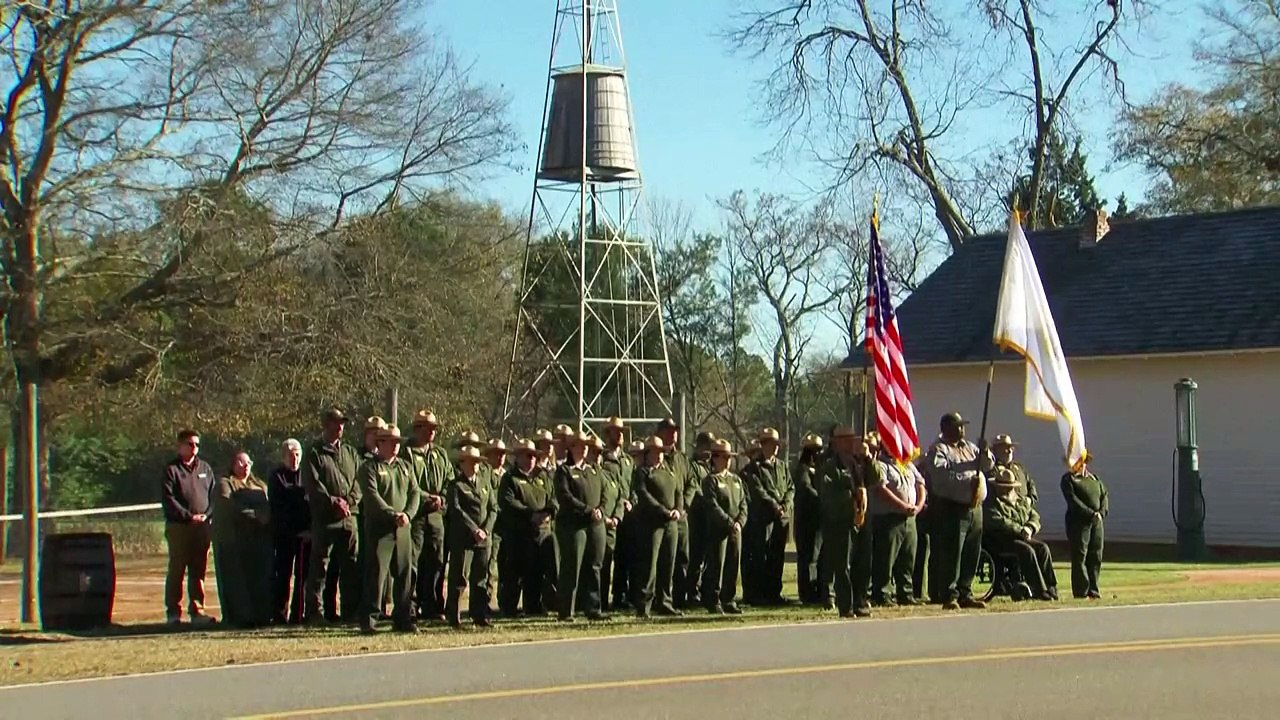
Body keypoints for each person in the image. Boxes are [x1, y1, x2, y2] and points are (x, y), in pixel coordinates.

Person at [924, 412, 993, 610]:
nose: (962, 430)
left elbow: (987, 466)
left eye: (963, 426)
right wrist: (967, 481)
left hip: (975, 506)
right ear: (945, 428)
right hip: (953, 507)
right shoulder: (939, 449)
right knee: (953, 552)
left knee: (972, 550)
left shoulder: (970, 448)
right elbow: (940, 476)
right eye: (957, 426)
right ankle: (949, 593)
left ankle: (966, 591)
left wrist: (985, 452)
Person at [302, 408, 362, 624]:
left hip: (348, 519)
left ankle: (350, 610)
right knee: (320, 567)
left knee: (351, 566)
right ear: (325, 424)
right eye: (335, 423)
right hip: (326, 519)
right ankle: (314, 612)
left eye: (342, 423)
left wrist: (350, 502)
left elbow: (359, 481)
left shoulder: (349, 452)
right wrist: (332, 502)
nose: (339, 427)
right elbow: (312, 484)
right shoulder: (314, 453)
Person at [357, 425, 418, 634]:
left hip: (403, 528)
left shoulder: (405, 467)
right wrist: (393, 514)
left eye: (398, 442)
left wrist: (407, 514)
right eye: (391, 442)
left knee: (404, 574)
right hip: (380, 529)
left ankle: (403, 619)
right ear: (379, 443)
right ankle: (370, 620)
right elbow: (373, 498)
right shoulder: (369, 468)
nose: (396, 446)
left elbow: (415, 493)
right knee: (377, 575)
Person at [161, 429, 217, 626]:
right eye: (190, 444)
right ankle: (173, 613)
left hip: (202, 528)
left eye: (197, 445)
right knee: (177, 569)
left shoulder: (205, 468)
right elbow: (169, 500)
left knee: (198, 569)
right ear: (180, 445)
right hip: (179, 528)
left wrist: (206, 515)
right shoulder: (171, 470)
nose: (194, 448)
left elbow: (213, 496)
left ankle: (197, 610)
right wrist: (188, 516)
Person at [212, 451, 273, 628]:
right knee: (235, 582)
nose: (245, 466)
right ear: (232, 464)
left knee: (258, 579)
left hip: (257, 541)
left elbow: (269, 504)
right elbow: (230, 506)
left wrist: (266, 518)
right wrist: (255, 515)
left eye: (248, 462)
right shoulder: (225, 484)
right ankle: (239, 617)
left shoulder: (259, 484)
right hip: (233, 541)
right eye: (240, 462)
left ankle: (261, 615)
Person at [819, 427, 875, 618]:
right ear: (837, 443)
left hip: (862, 521)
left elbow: (876, 480)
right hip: (841, 522)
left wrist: (867, 458)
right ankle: (846, 605)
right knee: (843, 566)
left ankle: (861, 601)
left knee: (862, 563)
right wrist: (853, 499)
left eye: (853, 439)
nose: (851, 443)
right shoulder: (830, 465)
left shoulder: (858, 463)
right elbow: (828, 494)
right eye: (846, 440)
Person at [403, 410, 451, 622]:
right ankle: (410, 606)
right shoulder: (407, 453)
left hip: (436, 515)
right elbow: (407, 481)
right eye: (428, 428)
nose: (432, 432)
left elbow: (450, 480)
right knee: (413, 562)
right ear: (417, 429)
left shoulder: (440, 454)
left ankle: (431, 604)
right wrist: (425, 497)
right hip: (416, 515)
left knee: (436, 561)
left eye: (434, 428)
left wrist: (442, 498)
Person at [496, 439, 554, 616]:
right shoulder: (510, 478)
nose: (531, 460)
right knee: (513, 573)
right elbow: (507, 501)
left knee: (536, 573)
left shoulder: (542, 476)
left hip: (542, 533)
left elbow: (553, 496)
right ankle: (509, 608)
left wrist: (548, 512)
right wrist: (530, 514)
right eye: (528, 456)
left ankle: (533, 607)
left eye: (534, 456)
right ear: (518, 457)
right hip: (518, 534)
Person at [868, 433, 927, 606]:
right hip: (889, 518)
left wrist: (919, 505)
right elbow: (881, 489)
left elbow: (920, 484)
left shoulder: (906, 465)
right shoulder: (879, 466)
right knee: (886, 558)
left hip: (910, 518)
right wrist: (902, 505)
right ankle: (882, 593)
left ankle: (906, 593)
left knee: (908, 558)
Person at [556, 432, 608, 622]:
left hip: (596, 524)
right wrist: (587, 510)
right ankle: (566, 610)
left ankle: (593, 608)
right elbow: (565, 497)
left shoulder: (594, 470)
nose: (584, 447)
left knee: (594, 566)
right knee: (572, 566)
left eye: (586, 445)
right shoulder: (565, 471)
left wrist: (601, 509)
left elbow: (605, 493)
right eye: (579, 444)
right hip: (574, 525)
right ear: (571, 447)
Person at [985, 467, 1058, 601]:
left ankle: (1051, 588)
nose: (1005, 490)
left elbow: (1034, 516)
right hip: (1001, 540)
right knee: (1027, 550)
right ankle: (1039, 590)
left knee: (1043, 548)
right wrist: (1021, 530)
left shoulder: (1021, 501)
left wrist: (1030, 528)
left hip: (1023, 536)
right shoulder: (992, 504)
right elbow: (1001, 522)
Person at [446, 445, 498, 627]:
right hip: (464, 539)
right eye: (472, 462)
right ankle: (454, 616)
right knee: (459, 578)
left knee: (481, 579)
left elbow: (493, 508)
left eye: (477, 462)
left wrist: (486, 530)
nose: (476, 465)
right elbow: (457, 510)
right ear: (462, 464)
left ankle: (480, 615)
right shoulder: (455, 485)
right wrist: (473, 529)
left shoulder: (485, 483)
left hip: (484, 540)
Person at [633, 435, 683, 618]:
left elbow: (679, 492)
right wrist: (663, 510)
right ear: (647, 454)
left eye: (661, 452)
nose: (659, 456)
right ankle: (644, 605)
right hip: (651, 524)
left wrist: (678, 509)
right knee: (650, 565)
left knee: (668, 563)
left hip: (671, 523)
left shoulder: (669, 471)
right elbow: (644, 495)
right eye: (655, 452)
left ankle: (665, 601)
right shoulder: (642, 472)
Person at [742, 427, 793, 605]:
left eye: (777, 444)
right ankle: (758, 594)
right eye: (772, 444)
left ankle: (774, 593)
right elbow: (758, 491)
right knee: (760, 556)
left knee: (777, 557)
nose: (776, 448)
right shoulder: (753, 468)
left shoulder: (782, 466)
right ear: (764, 445)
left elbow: (790, 487)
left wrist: (785, 505)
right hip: (763, 519)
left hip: (781, 519)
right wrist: (774, 505)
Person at [700, 439, 748, 614]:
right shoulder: (710, 481)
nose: (727, 460)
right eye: (724, 457)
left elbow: (743, 503)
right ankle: (713, 599)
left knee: (733, 564)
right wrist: (728, 522)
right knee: (717, 564)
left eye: (729, 457)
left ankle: (729, 598)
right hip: (718, 530)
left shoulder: (736, 480)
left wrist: (740, 522)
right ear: (715, 458)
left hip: (736, 530)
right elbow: (712, 505)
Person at [654, 418, 697, 610]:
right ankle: (661, 599)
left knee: (682, 559)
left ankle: (680, 599)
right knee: (663, 561)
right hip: (661, 517)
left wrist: (683, 506)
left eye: (675, 431)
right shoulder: (655, 457)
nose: (673, 434)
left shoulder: (682, 459)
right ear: (660, 433)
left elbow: (692, 483)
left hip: (681, 518)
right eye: (669, 430)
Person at [268, 439, 310, 625]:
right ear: (283, 456)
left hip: (304, 534)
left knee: (303, 576)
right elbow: (279, 504)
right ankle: (279, 615)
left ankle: (298, 615)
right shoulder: (276, 476)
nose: (295, 459)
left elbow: (309, 501)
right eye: (291, 455)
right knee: (282, 575)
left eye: (298, 455)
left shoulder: (306, 475)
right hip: (284, 533)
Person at [600, 417, 634, 610]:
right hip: (609, 515)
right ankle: (602, 601)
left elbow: (634, 486)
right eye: (616, 431)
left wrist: (631, 502)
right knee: (605, 558)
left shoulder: (628, 461)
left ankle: (620, 597)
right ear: (607, 434)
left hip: (627, 516)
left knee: (625, 558)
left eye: (622, 432)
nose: (620, 435)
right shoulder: (603, 459)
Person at [1062, 460, 1108, 599]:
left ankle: (1093, 589)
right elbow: (1073, 500)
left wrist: (1101, 512)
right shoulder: (1068, 479)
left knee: (1095, 555)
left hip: (1097, 522)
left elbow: (1104, 495)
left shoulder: (1095, 479)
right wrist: (1090, 513)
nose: (1081, 465)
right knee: (1080, 556)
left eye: (1082, 462)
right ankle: (1081, 591)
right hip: (1079, 523)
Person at [792, 433, 827, 606]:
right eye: (815, 451)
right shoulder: (802, 470)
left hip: (819, 520)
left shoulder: (820, 470)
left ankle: (818, 590)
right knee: (809, 557)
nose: (818, 454)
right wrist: (823, 499)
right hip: (807, 520)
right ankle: (807, 594)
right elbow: (806, 489)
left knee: (819, 557)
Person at [483, 439, 509, 612]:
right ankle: (485, 601)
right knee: (489, 566)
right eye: (496, 453)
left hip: (506, 525)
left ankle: (505, 601)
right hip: (490, 525)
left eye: (502, 454)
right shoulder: (484, 474)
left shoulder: (506, 474)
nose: (500, 457)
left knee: (506, 566)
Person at [992, 434, 1039, 507]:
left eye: (1011, 448)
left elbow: (1030, 483)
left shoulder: (1018, 467)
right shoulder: (993, 470)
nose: (1010, 451)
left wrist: (1030, 500)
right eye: (1006, 448)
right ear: (996, 450)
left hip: (1026, 510)